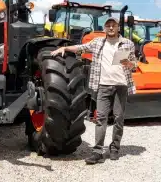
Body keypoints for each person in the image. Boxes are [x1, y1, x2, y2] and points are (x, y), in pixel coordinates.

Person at [50, 17, 138, 164]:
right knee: (101, 118)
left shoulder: (127, 43)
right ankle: (97, 151)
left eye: (113, 25)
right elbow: (81, 48)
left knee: (118, 119)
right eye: (108, 25)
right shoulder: (98, 42)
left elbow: (134, 64)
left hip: (121, 85)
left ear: (118, 28)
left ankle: (115, 148)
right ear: (105, 28)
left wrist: (129, 63)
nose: (110, 28)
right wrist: (64, 48)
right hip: (103, 85)